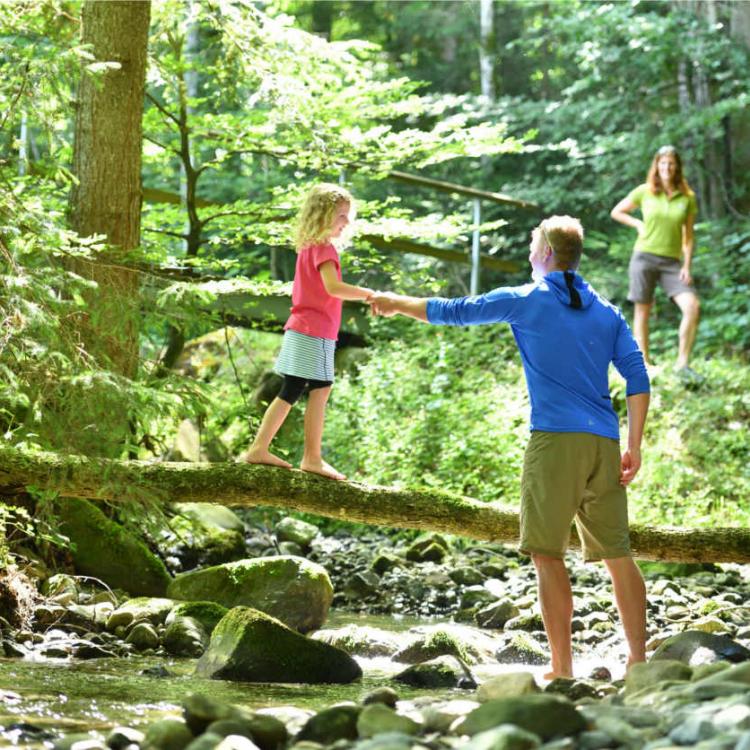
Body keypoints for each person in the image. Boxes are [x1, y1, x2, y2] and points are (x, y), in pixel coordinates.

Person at [370, 216, 650, 679]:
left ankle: (562, 669)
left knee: (547, 554)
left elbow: (456, 310)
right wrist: (634, 446)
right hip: (604, 442)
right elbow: (638, 377)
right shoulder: (606, 310)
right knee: (619, 555)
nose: (527, 253)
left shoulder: (526, 299)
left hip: (554, 443)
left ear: (544, 254)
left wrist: (395, 303)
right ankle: (639, 663)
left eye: (531, 244)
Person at [242, 183, 376, 480]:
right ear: (323, 215)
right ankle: (299, 455)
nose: (347, 222)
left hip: (314, 330)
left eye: (347, 215)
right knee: (303, 389)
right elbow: (334, 288)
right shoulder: (324, 249)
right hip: (312, 330)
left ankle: (290, 453)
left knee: (310, 389)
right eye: (341, 215)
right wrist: (369, 294)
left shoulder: (310, 247)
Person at [610, 145, 700, 378]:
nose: (666, 168)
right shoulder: (645, 191)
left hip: (672, 263)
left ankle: (682, 364)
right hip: (644, 257)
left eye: (671, 163)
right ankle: (645, 365)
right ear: (656, 166)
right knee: (643, 311)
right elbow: (617, 211)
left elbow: (688, 237)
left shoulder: (687, 198)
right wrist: (638, 224)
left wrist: (687, 266)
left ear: (677, 167)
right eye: (662, 163)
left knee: (692, 307)